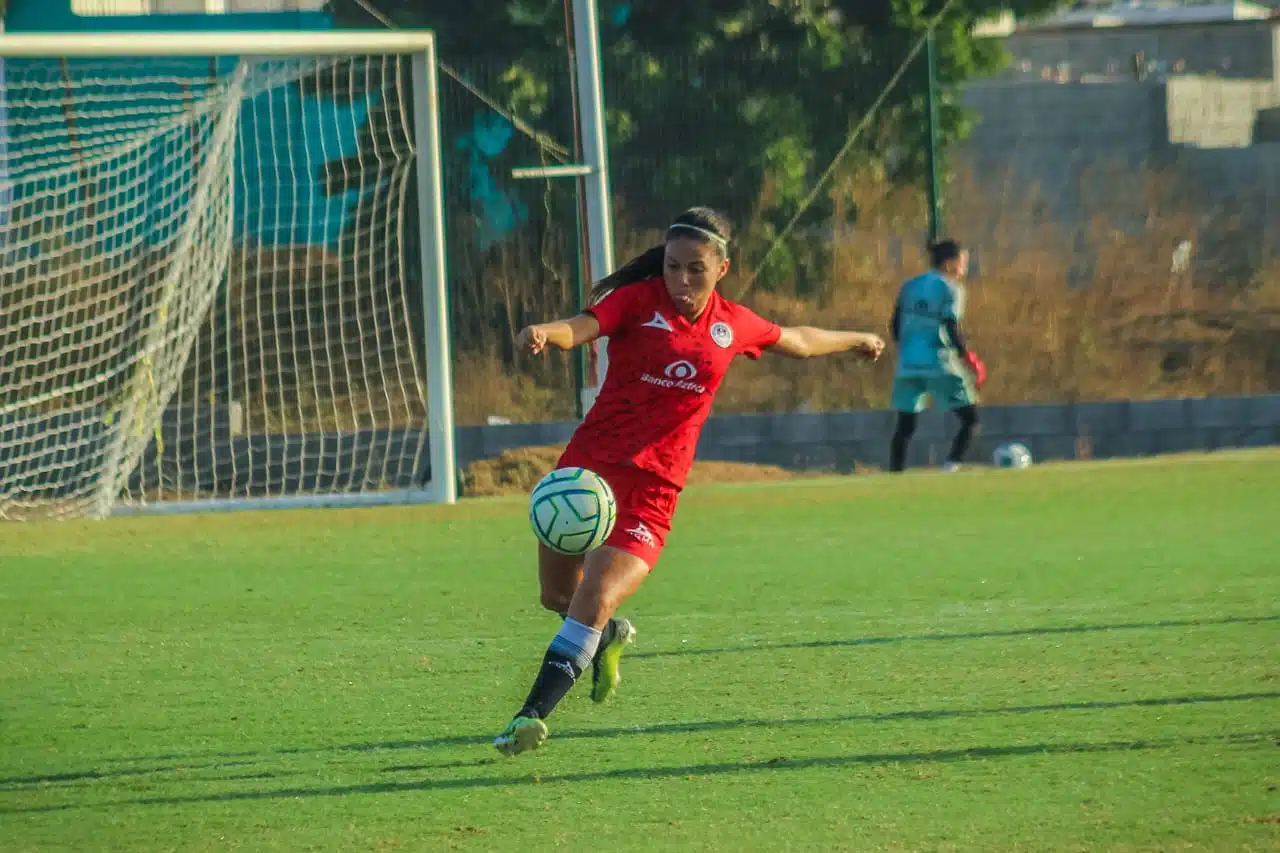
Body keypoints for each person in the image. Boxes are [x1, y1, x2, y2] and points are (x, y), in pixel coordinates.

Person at [495, 206, 886, 756]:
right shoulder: (636, 302)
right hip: (587, 475)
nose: (680, 280)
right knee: (557, 595)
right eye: (672, 266)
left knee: (595, 593)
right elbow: (582, 327)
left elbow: (796, 339)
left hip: (654, 492)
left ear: (722, 268)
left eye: (694, 270)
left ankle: (528, 717)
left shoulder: (734, 324)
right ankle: (605, 637)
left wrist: (855, 339)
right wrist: (545, 334)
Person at [887, 239, 986, 474]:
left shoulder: (909, 285)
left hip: (908, 365)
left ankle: (894, 475)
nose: (964, 269)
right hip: (939, 363)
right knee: (970, 420)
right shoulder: (951, 289)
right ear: (950, 263)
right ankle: (950, 468)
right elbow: (951, 325)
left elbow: (894, 325)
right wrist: (967, 357)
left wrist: (910, 348)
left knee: (905, 426)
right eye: (963, 263)